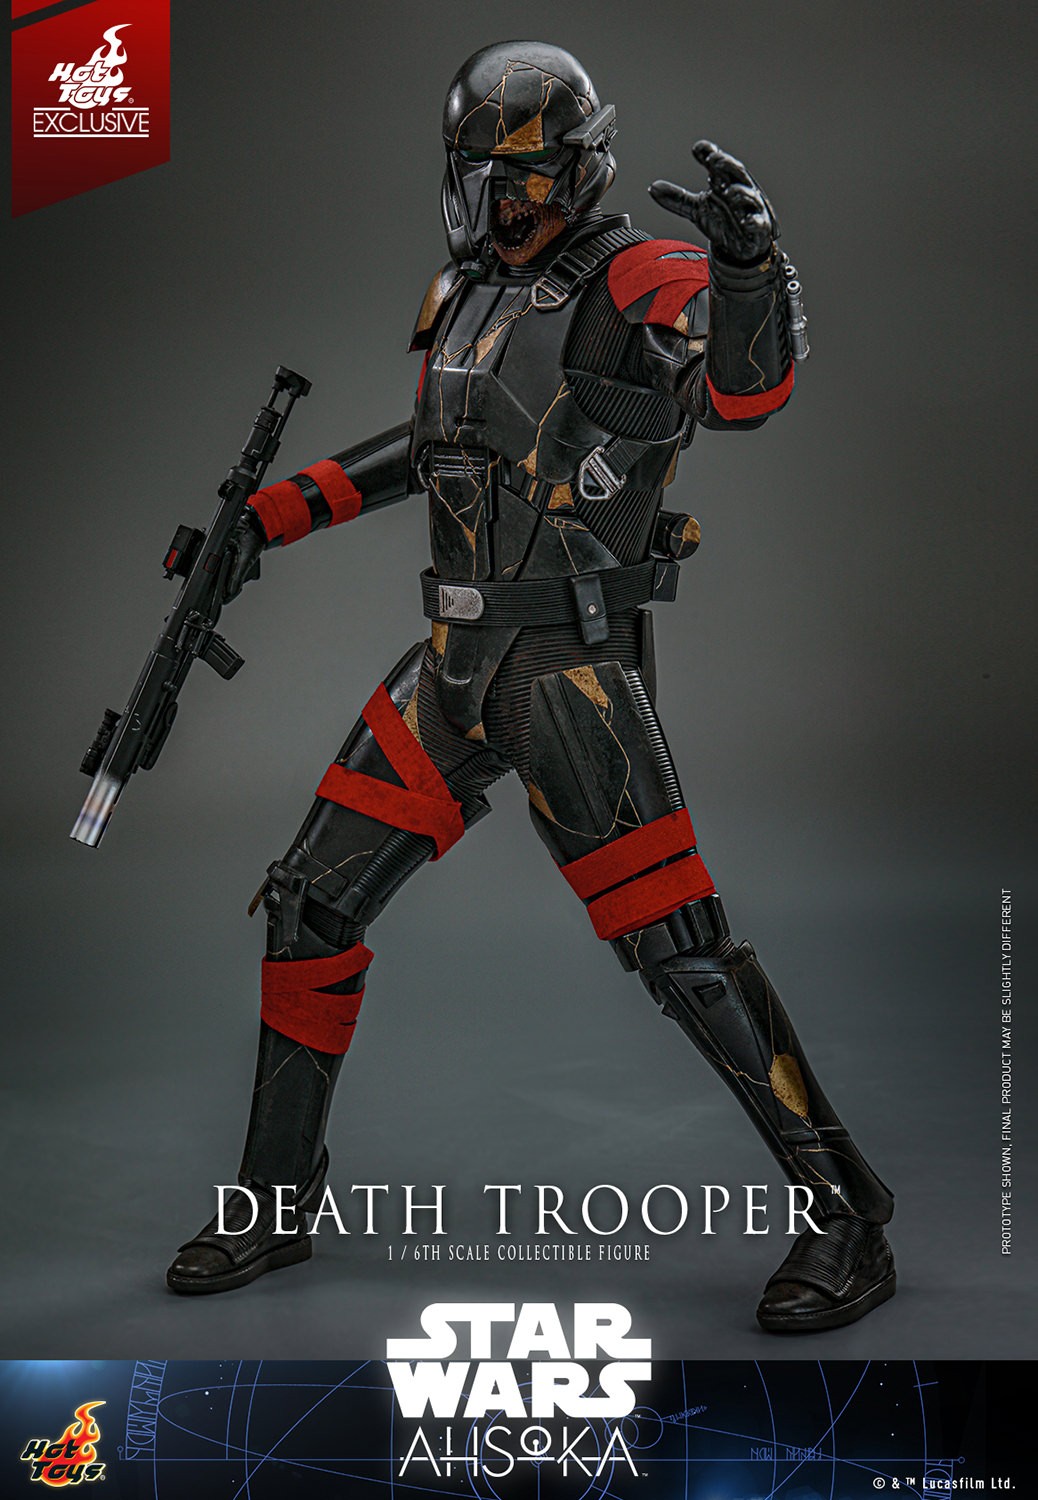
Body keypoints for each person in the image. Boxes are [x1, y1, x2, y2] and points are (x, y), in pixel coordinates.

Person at [166, 40, 895, 1333]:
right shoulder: (465, 293)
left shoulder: (635, 276)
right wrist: (267, 519)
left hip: (569, 672)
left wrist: (746, 270)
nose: (508, 200)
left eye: (532, 176)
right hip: (451, 666)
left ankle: (844, 1215)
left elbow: (745, 393)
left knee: (681, 952)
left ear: (582, 167)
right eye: (488, 175)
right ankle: (274, 1200)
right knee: (309, 906)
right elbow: (435, 443)